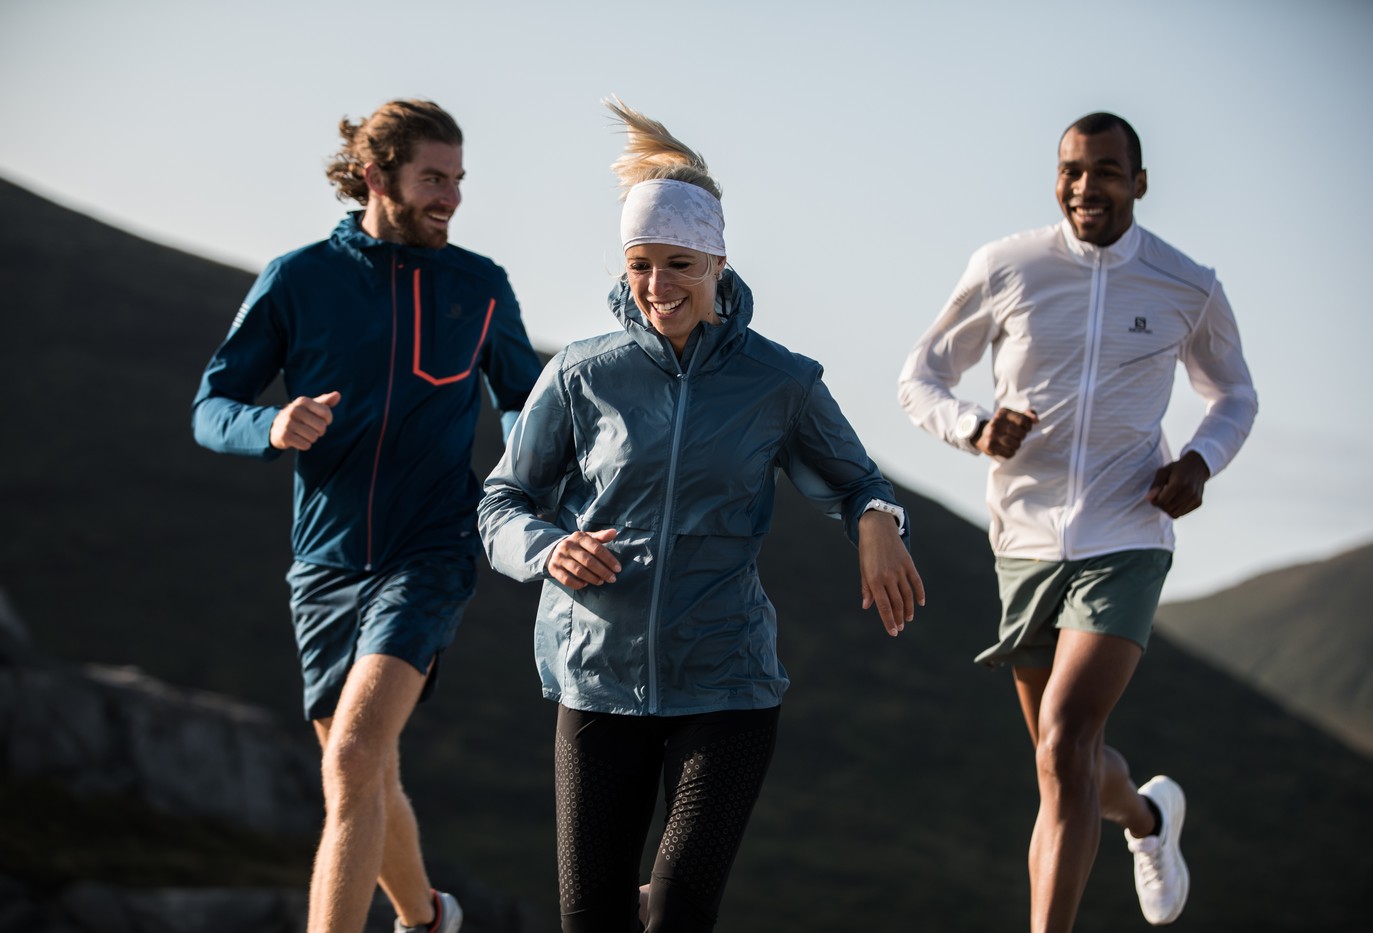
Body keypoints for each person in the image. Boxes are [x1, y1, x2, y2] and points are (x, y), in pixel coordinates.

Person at [477, 98, 925, 933]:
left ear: (718, 261)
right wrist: (548, 549)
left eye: (678, 263)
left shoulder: (779, 381)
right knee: (591, 921)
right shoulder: (583, 373)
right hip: (597, 678)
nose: (656, 286)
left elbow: (860, 480)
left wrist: (875, 521)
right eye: (640, 264)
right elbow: (502, 501)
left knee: (681, 909)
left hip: (726, 681)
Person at [897, 112, 1257, 930]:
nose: (1084, 187)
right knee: (1064, 763)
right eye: (1070, 170)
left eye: (1103, 170)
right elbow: (919, 376)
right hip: (1023, 542)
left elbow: (1233, 392)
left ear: (1138, 181)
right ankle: (1149, 819)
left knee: (1063, 742)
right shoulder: (1008, 266)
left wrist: (1199, 462)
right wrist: (976, 428)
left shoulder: (1185, 282)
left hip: (1125, 534)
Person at [192, 99, 542, 933]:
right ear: (375, 175)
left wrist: (544, 488)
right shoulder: (298, 277)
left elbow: (529, 405)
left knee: (352, 757)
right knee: (365, 773)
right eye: (432, 179)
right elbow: (212, 404)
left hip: (432, 549)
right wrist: (270, 425)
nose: (450, 198)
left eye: (458, 181)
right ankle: (427, 920)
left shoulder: (479, 287)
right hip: (323, 561)